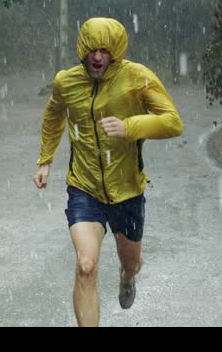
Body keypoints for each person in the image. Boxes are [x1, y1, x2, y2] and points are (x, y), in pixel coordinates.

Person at [32, 17, 183, 327]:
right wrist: (45, 160)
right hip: (84, 188)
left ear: (116, 52)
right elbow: (53, 115)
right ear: (82, 50)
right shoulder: (66, 82)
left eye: (105, 50)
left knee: (132, 263)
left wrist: (129, 127)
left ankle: (127, 277)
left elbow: (172, 122)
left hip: (127, 191)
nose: (97, 57)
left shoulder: (136, 77)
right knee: (86, 266)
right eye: (92, 49)